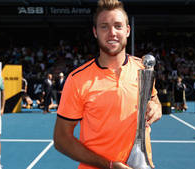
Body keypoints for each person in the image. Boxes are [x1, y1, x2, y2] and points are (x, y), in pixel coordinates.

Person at [53, 0, 162, 169]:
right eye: (104, 26)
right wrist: (109, 165)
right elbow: (61, 139)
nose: (112, 33)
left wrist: (156, 107)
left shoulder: (143, 69)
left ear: (127, 30)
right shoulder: (77, 80)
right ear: (95, 32)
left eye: (118, 26)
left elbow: (154, 100)